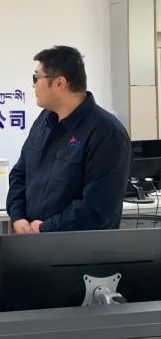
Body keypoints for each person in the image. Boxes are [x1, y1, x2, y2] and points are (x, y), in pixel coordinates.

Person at [7, 45, 132, 233]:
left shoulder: (107, 132)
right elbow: (19, 174)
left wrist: (46, 228)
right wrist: (18, 217)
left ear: (60, 83)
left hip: (78, 246)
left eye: (36, 78)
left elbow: (98, 207)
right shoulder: (44, 120)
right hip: (33, 239)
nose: (33, 85)